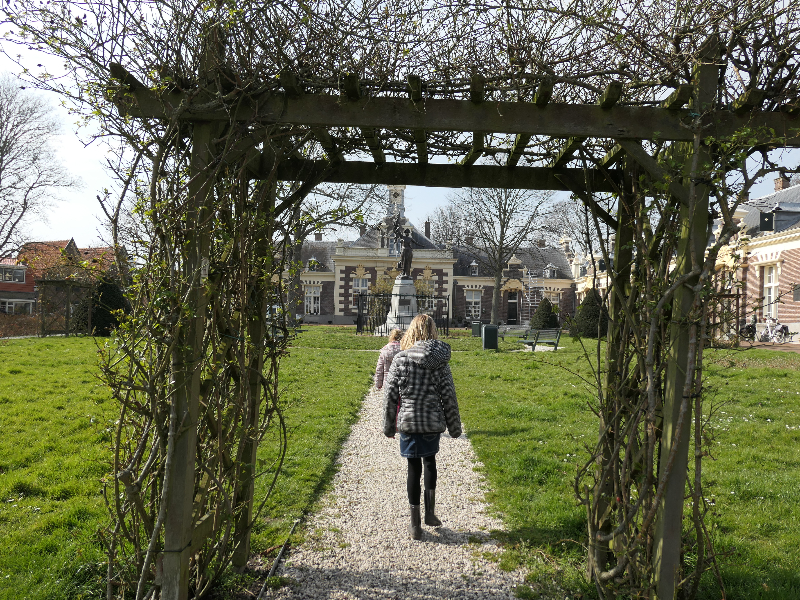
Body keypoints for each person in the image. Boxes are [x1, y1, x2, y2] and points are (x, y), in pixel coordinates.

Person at [382, 314, 462, 540]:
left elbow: (390, 396)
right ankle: (430, 513)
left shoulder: (400, 360)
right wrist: (454, 427)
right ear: (432, 331)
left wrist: (389, 426)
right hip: (431, 422)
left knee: (413, 468)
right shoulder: (440, 362)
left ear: (411, 332)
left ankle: (415, 524)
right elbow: (449, 396)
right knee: (430, 462)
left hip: (408, 422)